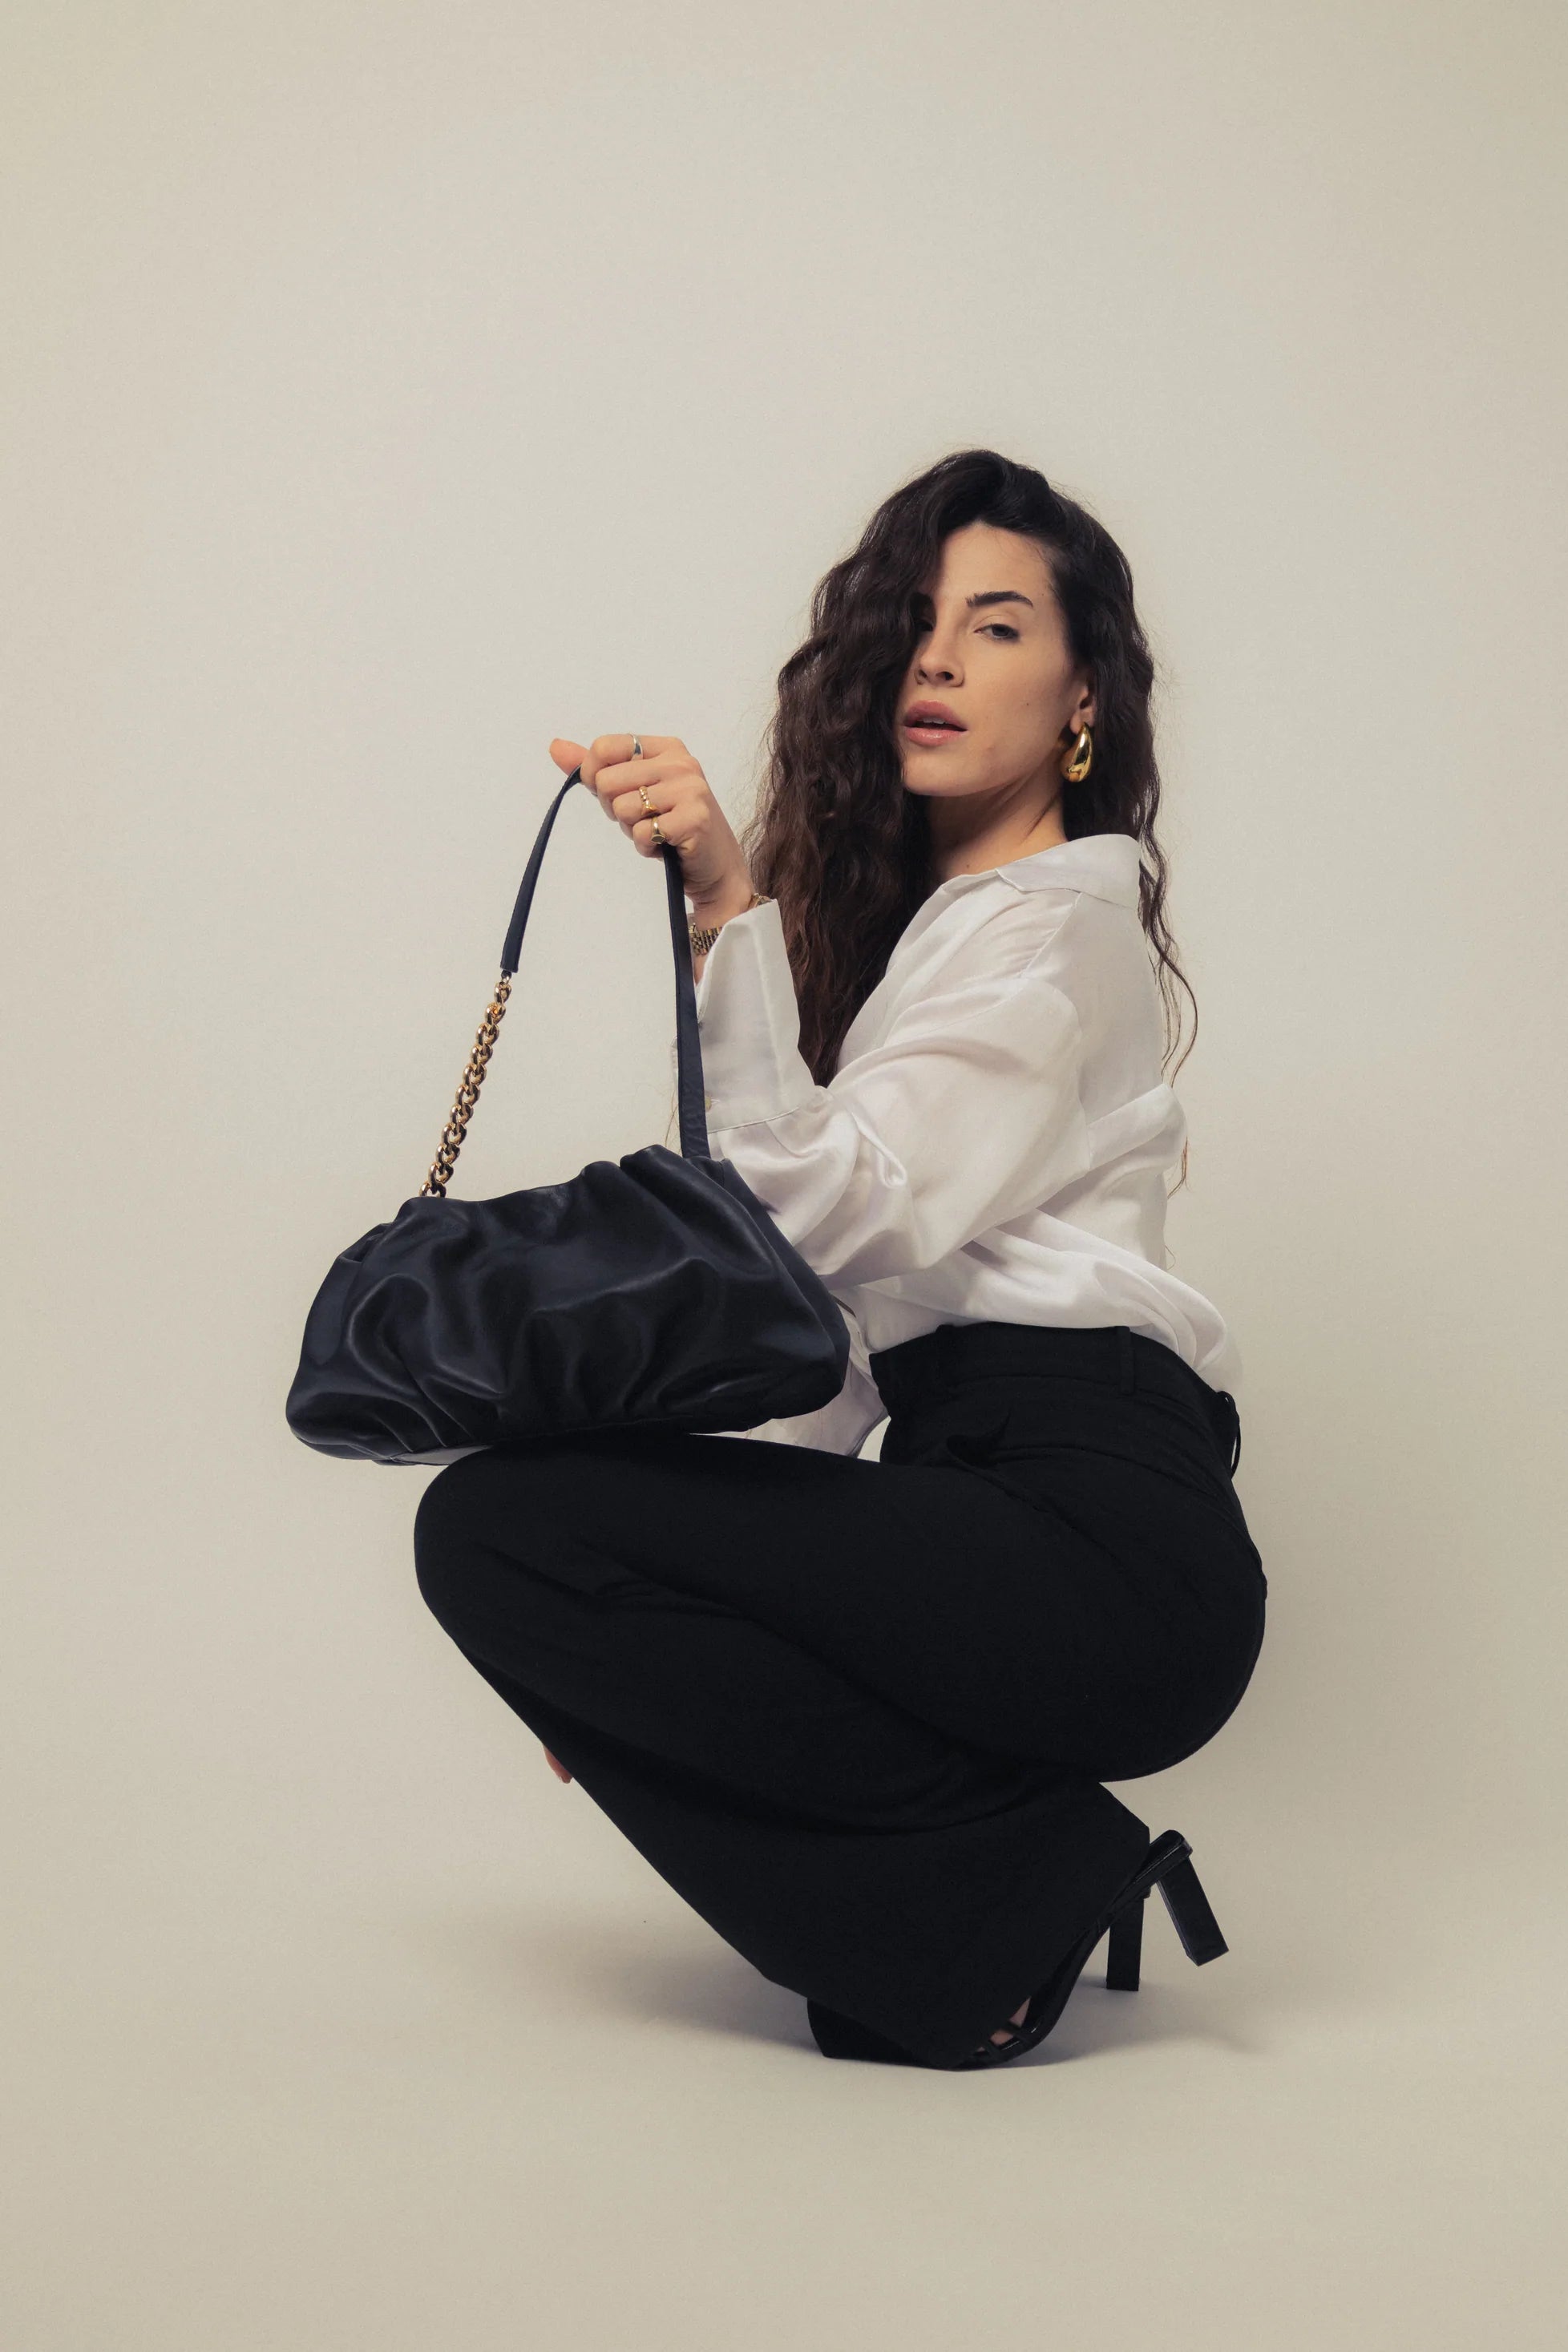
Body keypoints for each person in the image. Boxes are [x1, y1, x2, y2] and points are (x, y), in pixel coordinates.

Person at [411, 447, 1267, 2071]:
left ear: (1084, 699)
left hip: (1103, 1545)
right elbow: (840, 1333)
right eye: (915, 624)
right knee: (518, 1540)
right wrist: (634, 1625)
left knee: (501, 1524)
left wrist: (726, 904)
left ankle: (1035, 1885)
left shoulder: (1061, 928)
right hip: (979, 1501)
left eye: (996, 627)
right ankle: (1028, 1888)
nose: (937, 660)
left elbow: (831, 1208)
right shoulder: (934, 950)